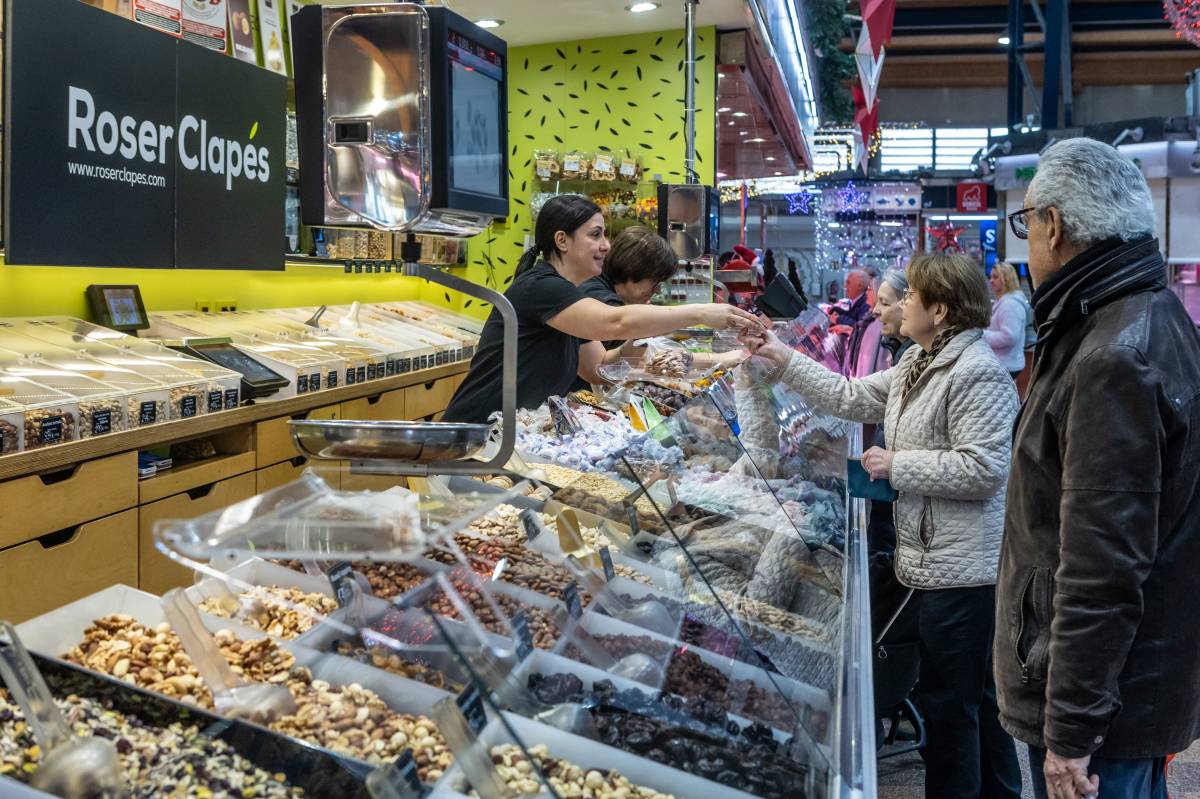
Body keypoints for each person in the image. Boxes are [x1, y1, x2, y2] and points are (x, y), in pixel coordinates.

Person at [742, 252, 1022, 799]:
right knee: (973, 700)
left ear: (939, 310)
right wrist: (778, 355)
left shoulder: (976, 372)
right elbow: (851, 396)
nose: (899, 303)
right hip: (931, 559)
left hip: (965, 571)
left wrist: (899, 465)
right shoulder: (920, 362)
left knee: (952, 709)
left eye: (912, 295)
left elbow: (986, 469)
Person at [995, 137, 1200, 799]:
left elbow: (1100, 567)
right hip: (1129, 692)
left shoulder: (1112, 353)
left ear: (1053, 226)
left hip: (1107, 709)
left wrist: (1071, 733)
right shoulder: (1142, 317)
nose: (1026, 239)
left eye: (1026, 222)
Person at [443, 195, 764, 423]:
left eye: (605, 235)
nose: (606, 246)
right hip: (478, 429)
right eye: (595, 235)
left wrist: (630, 349)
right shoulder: (541, 286)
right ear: (562, 241)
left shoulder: (569, 295)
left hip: (512, 432)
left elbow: (597, 367)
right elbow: (614, 321)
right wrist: (700, 313)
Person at [984, 261, 1032, 379]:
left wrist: (981, 335)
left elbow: (1009, 337)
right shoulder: (1006, 301)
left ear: (1007, 279)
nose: (991, 280)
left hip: (1006, 364)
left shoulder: (1010, 304)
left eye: (995, 277)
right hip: (1005, 362)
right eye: (991, 277)